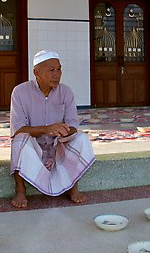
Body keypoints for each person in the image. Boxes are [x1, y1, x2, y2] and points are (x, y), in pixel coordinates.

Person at [9, 50, 96, 208]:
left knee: (81, 138)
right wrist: (46, 129)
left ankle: (73, 187)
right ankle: (20, 190)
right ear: (36, 72)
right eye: (52, 70)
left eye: (59, 69)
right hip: (33, 147)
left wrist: (63, 131)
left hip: (57, 146)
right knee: (19, 140)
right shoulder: (20, 92)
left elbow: (73, 126)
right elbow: (18, 129)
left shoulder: (66, 92)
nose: (57, 74)